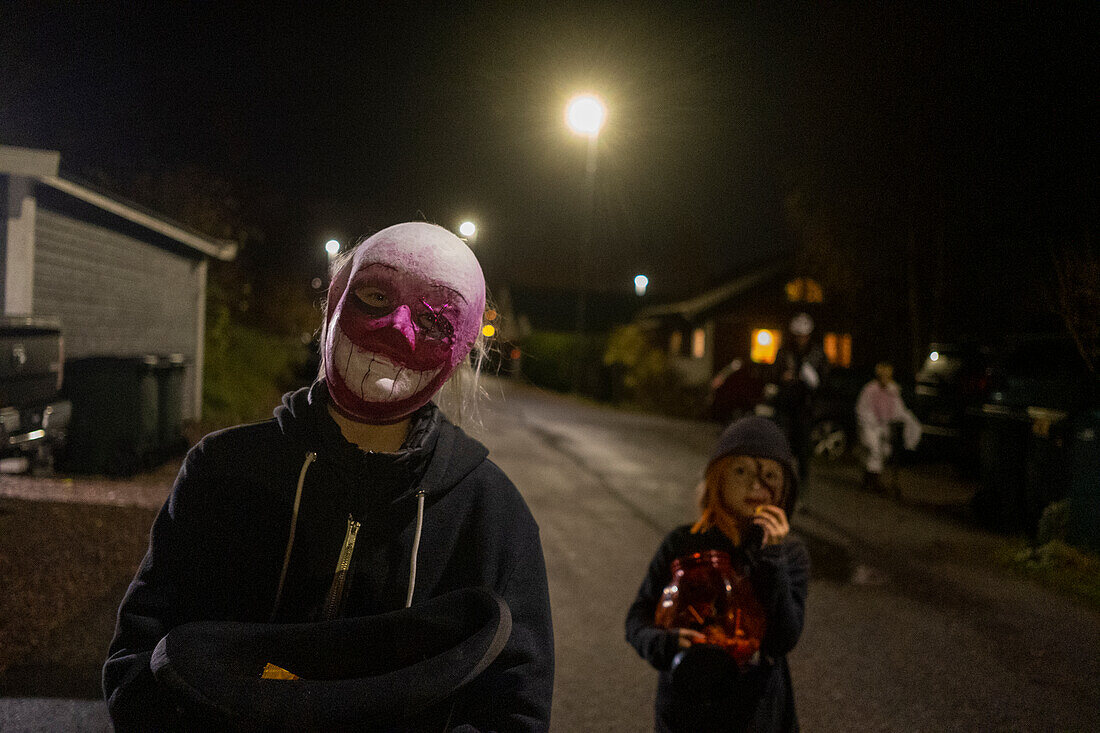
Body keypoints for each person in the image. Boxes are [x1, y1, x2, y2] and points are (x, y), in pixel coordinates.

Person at [103, 222, 554, 731]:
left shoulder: (492, 514)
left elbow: (514, 709)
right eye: (375, 296)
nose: (396, 329)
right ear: (335, 303)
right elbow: (138, 656)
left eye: (434, 320)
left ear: (462, 349)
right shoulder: (223, 470)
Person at [625, 416, 810, 732]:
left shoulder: (789, 554)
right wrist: (664, 643)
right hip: (687, 709)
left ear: (784, 489)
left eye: (769, 475)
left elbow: (782, 640)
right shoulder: (683, 542)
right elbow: (637, 619)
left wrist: (772, 557)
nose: (756, 485)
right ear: (718, 478)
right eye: (741, 471)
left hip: (757, 713)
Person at [770, 312, 828, 486]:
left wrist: (813, 380)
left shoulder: (817, 354)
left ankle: (803, 488)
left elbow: (825, 379)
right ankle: (782, 484)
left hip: (805, 407)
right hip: (786, 406)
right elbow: (772, 373)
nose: (800, 339)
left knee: (803, 451)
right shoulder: (784, 352)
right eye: (797, 336)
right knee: (782, 446)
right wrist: (782, 377)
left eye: (804, 336)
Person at [855, 361, 921, 491]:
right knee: (874, 449)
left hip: (884, 427)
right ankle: (873, 480)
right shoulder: (870, 389)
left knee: (884, 451)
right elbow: (862, 409)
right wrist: (871, 422)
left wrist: (907, 420)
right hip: (871, 426)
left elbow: (898, 409)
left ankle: (870, 478)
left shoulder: (892, 390)